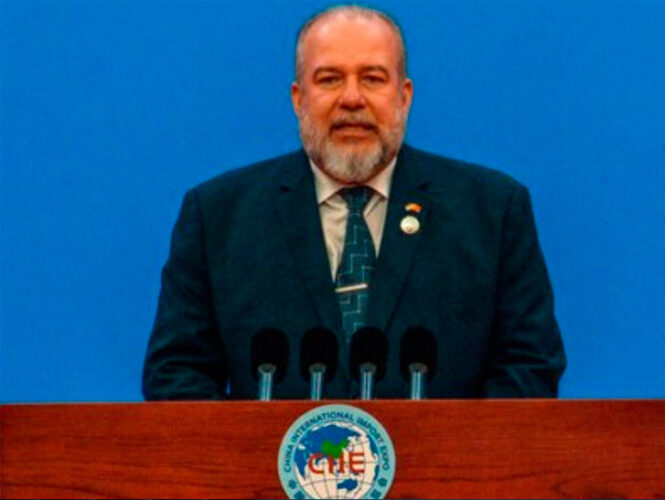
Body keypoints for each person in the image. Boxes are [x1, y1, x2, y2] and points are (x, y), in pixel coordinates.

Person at [142, 5, 566, 400]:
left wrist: (449, 452)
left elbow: (528, 367)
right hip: (265, 460)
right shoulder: (218, 216)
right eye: (329, 79)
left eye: (372, 78)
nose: (351, 98)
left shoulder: (491, 210)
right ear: (298, 99)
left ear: (404, 96)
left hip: (447, 457)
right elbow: (177, 373)